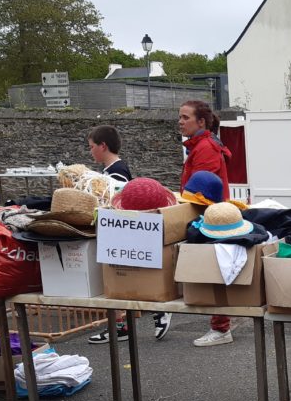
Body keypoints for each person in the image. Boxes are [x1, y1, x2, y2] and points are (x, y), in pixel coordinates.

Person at [86, 128, 172, 345]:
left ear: (103, 145)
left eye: (92, 146)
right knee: (123, 280)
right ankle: (124, 324)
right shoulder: (112, 170)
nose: (90, 152)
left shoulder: (117, 172)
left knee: (127, 278)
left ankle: (155, 312)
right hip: (121, 231)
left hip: (122, 231)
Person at [179, 99, 235, 347]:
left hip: (210, 218)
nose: (180, 122)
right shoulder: (203, 145)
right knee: (214, 271)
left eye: (185, 117)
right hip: (210, 216)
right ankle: (220, 326)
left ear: (201, 122)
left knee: (215, 272)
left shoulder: (205, 148)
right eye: (179, 117)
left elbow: (202, 193)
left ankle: (221, 329)